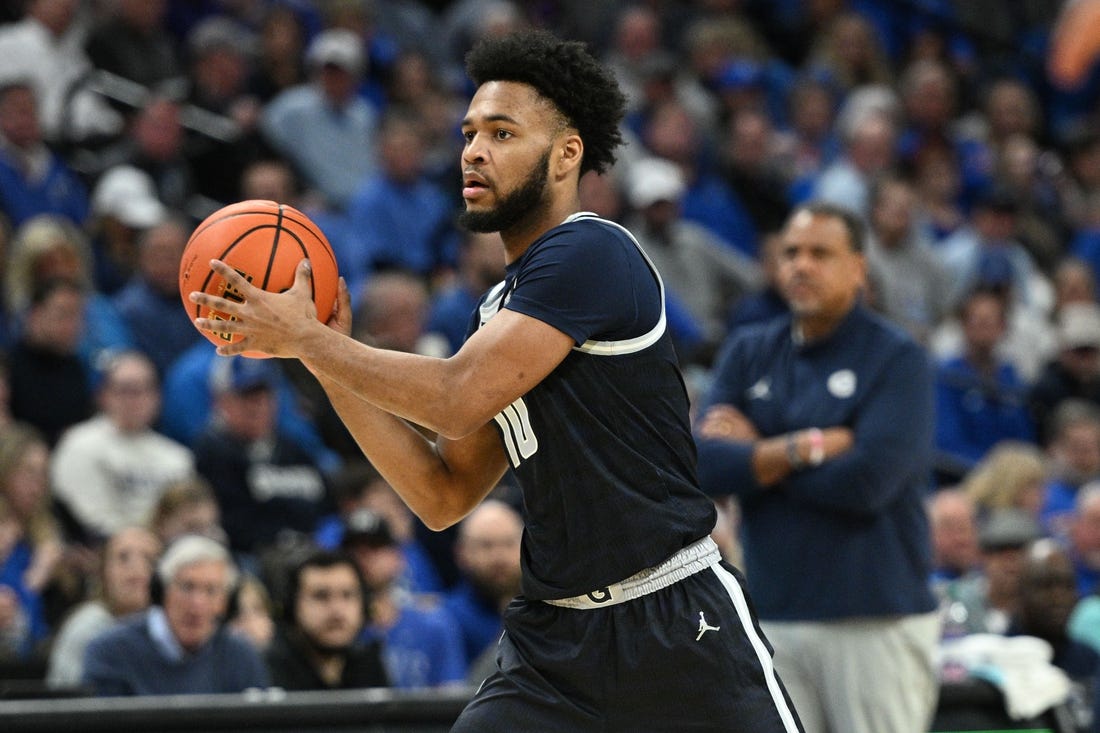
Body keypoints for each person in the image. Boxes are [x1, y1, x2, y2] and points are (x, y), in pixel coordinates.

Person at [188, 29, 802, 732]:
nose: (474, 150)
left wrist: (312, 338)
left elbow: (455, 398)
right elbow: (442, 492)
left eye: (503, 133)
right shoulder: (499, 310)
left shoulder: (593, 250)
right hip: (556, 646)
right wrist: (321, 358)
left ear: (567, 153)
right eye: (469, 132)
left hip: (673, 620)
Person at [694, 202, 940, 733]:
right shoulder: (747, 351)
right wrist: (801, 449)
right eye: (791, 253)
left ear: (858, 267)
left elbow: (867, 483)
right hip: (773, 615)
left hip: (873, 619)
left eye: (820, 254)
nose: (801, 266)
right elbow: (706, 468)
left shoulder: (898, 359)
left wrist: (756, 454)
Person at [81, 534, 268, 696]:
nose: (197, 603)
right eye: (187, 587)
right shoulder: (110, 652)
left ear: (225, 603)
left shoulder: (241, 656)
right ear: (162, 591)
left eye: (211, 590)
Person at [50, 350, 194, 542]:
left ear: (157, 396)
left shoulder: (177, 457)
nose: (135, 399)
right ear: (103, 395)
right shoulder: (79, 444)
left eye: (144, 389)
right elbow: (87, 519)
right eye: (125, 389)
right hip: (103, 551)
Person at [344, 508, 466, 689]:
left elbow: (451, 694)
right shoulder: (336, 626)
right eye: (354, 550)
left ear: (398, 557)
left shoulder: (433, 624)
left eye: (376, 547)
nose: (364, 558)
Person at [46, 526, 161, 689]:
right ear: (103, 572)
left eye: (149, 559)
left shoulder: (172, 632)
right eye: (123, 558)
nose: (137, 567)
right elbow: (67, 703)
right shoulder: (87, 625)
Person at [263, 548, 389, 690]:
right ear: (291, 607)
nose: (337, 610)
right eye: (321, 596)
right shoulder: (267, 671)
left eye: (347, 595)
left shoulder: (369, 664)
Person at [440, 498, 522, 672]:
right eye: (486, 546)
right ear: (461, 553)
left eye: (509, 544)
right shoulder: (445, 620)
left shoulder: (544, 615)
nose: (499, 557)